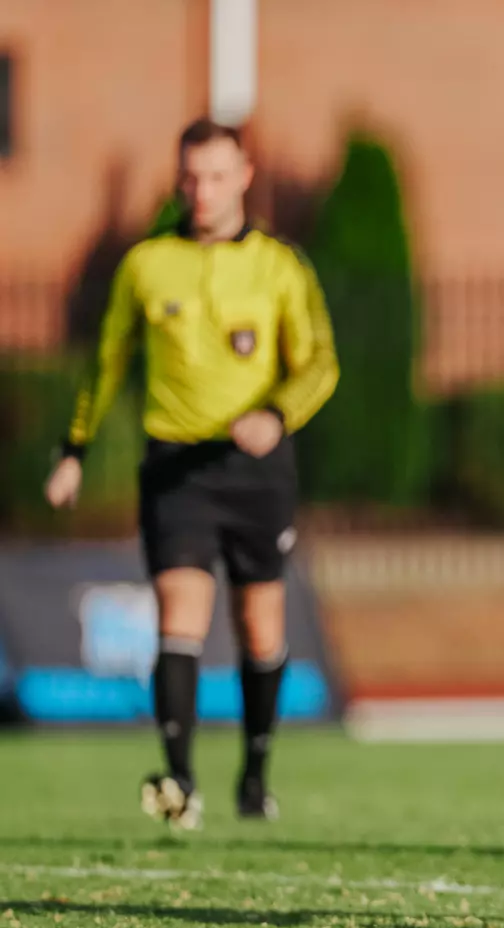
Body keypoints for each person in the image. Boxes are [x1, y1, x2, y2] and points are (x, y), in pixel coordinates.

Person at [44, 118, 340, 829]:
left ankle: (255, 775)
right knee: (179, 618)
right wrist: (74, 448)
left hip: (257, 467)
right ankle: (179, 781)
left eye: (215, 176)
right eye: (190, 178)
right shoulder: (147, 264)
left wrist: (277, 412)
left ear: (244, 176)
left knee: (259, 627)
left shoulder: (279, 265)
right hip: (176, 464)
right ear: (179, 181)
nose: (201, 192)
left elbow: (320, 363)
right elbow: (107, 359)